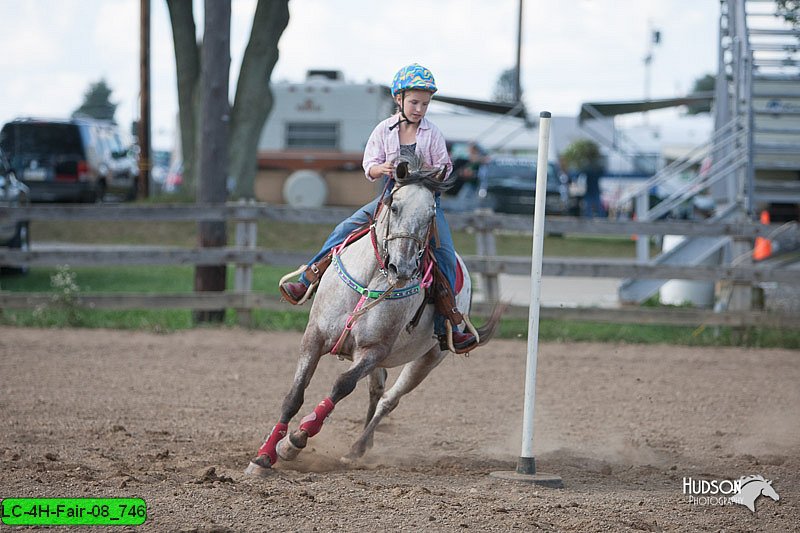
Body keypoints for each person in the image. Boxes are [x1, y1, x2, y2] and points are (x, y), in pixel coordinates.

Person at [279, 63, 477, 353]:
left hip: (424, 204)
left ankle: (449, 324)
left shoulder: (432, 134)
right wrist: (378, 168)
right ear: (399, 99)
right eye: (414, 102)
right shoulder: (384, 130)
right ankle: (309, 278)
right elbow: (368, 164)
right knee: (345, 228)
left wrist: (435, 173)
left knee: (445, 254)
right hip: (390, 199)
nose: (419, 109)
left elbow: (446, 167)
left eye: (425, 103)